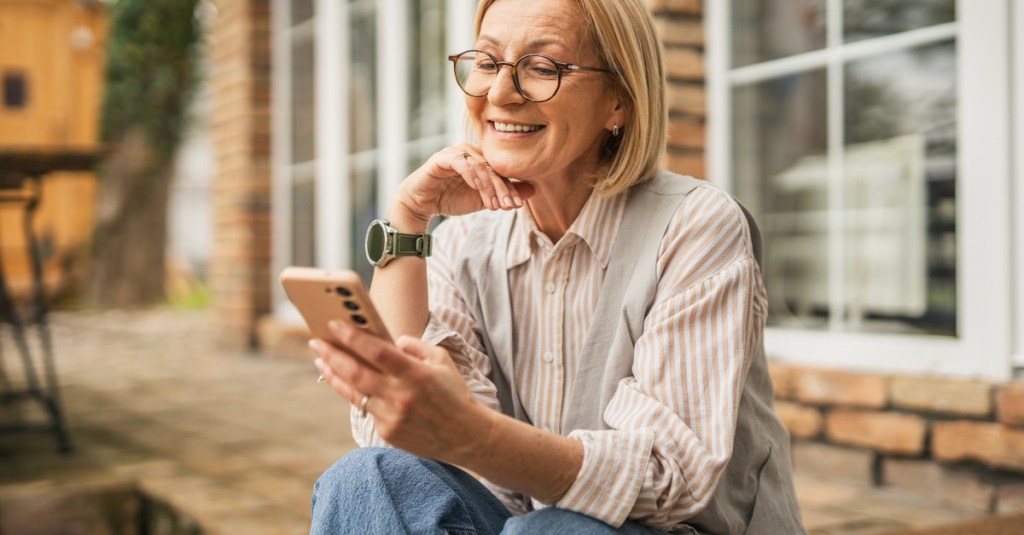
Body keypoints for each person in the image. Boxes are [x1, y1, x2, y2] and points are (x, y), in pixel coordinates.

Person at [307, 0, 806, 533]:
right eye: (488, 62)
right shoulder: (464, 243)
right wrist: (408, 219)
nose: (500, 94)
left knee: (552, 529)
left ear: (618, 100)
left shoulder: (694, 225)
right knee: (367, 478)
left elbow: (669, 478)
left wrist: (473, 434)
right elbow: (398, 434)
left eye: (543, 68)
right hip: (527, 523)